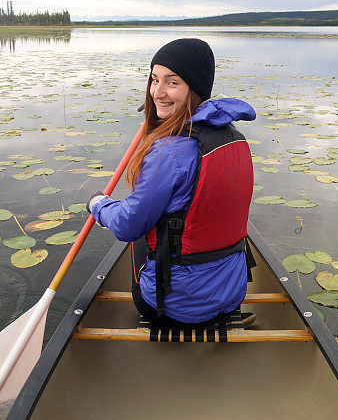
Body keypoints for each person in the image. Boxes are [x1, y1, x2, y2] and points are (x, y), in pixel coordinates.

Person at [87, 38, 256, 325]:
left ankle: (159, 310)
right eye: (154, 80)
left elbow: (128, 225)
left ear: (195, 89)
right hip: (233, 293)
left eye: (172, 82)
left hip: (172, 305)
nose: (157, 92)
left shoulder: (169, 152)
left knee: (139, 231)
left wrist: (99, 205)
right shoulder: (234, 138)